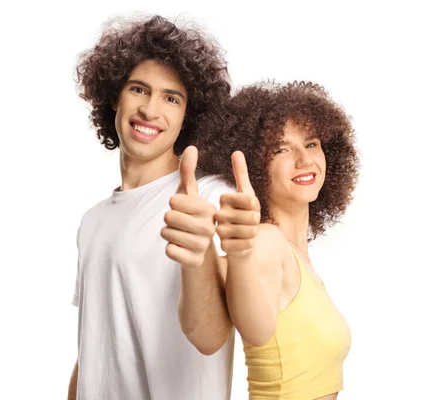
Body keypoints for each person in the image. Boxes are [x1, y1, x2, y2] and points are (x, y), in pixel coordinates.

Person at [68, 15, 236, 400]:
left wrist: (201, 253)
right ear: (115, 96)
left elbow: (212, 337)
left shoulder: (208, 198)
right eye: (139, 89)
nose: (149, 109)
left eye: (171, 98)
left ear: (186, 116)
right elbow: (93, 347)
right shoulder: (92, 220)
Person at [193, 81, 360, 399]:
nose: (304, 160)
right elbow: (252, 326)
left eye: (311, 144)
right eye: (281, 149)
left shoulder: (294, 253)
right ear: (256, 165)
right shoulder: (266, 243)